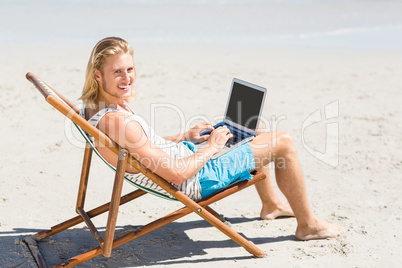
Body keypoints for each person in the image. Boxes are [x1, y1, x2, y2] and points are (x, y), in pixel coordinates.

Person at [80, 36, 342, 241]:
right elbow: (177, 175)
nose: (127, 79)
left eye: (130, 69)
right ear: (98, 75)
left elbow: (143, 147)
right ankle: (308, 226)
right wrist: (211, 146)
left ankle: (271, 204)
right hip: (197, 178)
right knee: (283, 141)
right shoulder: (117, 121)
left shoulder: (99, 108)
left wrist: (186, 136)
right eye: (118, 72)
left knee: (255, 127)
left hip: (186, 156)